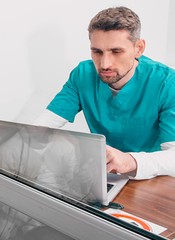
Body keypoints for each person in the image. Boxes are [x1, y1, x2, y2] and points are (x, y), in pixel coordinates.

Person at [35, 6, 175, 180]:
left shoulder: (167, 83)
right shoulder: (83, 74)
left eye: (116, 51)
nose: (104, 64)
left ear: (138, 48)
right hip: (104, 176)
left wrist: (130, 161)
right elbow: (43, 127)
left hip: (151, 179)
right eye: (97, 52)